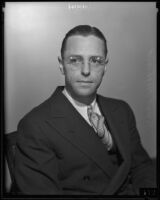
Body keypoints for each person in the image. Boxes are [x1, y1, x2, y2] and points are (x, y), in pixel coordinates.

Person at [14, 25, 156, 195]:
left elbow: (142, 167)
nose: (86, 71)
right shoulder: (35, 125)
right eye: (75, 60)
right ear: (61, 65)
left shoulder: (121, 110)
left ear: (105, 66)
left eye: (96, 60)